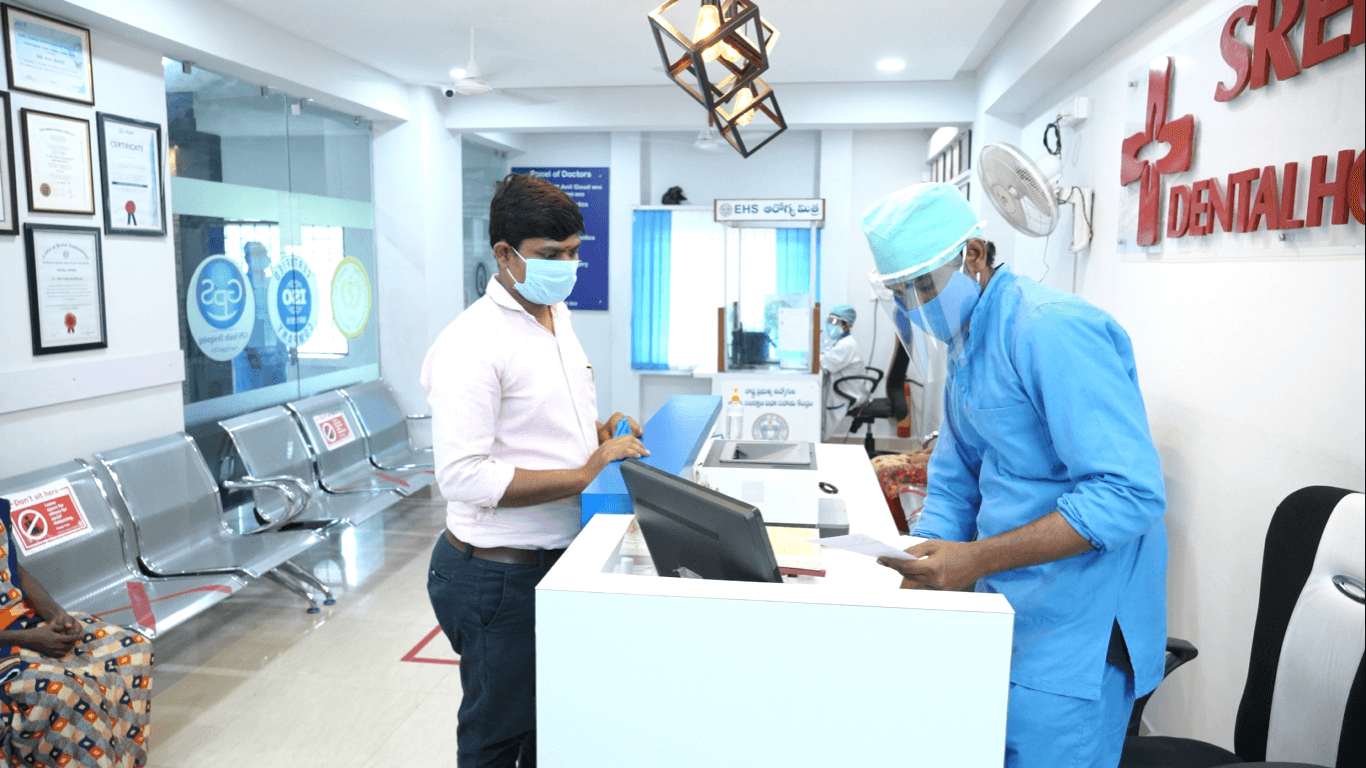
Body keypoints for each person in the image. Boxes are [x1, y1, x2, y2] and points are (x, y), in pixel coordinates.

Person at [861, 183, 1167, 768]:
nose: (916, 305)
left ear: (974, 255)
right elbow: (955, 478)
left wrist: (974, 560)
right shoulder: (967, 341)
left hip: (1078, 627)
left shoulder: (1050, 329)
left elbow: (1129, 493)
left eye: (924, 284)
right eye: (902, 292)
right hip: (1007, 607)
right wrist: (917, 564)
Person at [421, 172, 648, 768]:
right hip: (497, 577)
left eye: (574, 253)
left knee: (548, 729)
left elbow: (548, 422)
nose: (568, 267)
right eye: (552, 256)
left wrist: (602, 433)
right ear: (505, 254)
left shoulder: (554, 312)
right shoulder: (471, 344)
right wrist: (584, 472)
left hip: (555, 560)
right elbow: (463, 476)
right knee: (498, 738)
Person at [0, 499, 153, 767]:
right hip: (8, 641)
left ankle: (123, 762)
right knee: (64, 688)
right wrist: (30, 639)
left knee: (135, 648)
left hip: (24, 621)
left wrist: (56, 614)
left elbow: (16, 571)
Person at [232, 241, 288, 392]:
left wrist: (288, 347)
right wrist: (249, 350)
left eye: (263, 254)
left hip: (276, 355)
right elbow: (237, 322)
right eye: (256, 255)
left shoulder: (272, 284)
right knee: (254, 405)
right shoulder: (241, 285)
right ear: (247, 259)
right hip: (251, 357)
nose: (261, 258)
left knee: (278, 401)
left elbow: (281, 316)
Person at [819, 304, 868, 439]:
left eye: (835, 322)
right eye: (829, 321)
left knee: (823, 432)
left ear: (847, 325)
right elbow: (828, 357)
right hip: (848, 389)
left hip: (847, 394)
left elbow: (824, 364)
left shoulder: (846, 345)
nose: (830, 325)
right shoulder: (843, 342)